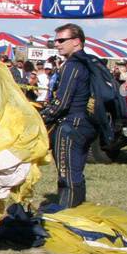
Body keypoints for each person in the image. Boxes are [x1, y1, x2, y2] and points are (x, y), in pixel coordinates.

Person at [41, 23, 97, 208]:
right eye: (55, 40)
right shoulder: (88, 61)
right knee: (76, 172)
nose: (57, 44)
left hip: (71, 126)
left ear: (76, 42)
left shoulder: (72, 65)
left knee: (67, 176)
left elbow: (61, 103)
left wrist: (40, 118)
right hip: (86, 125)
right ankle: (77, 209)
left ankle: (68, 217)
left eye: (61, 40)